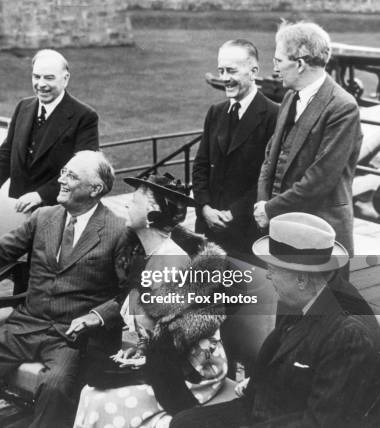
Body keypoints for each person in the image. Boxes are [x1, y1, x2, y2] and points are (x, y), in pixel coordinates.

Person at [0, 151, 129, 428]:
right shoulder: (44, 217)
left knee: (55, 386)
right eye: (63, 172)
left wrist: (96, 316)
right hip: (26, 326)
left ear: (95, 188)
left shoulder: (118, 231)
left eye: (72, 176)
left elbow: (130, 292)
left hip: (71, 338)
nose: (61, 180)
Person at [167, 212, 380, 427]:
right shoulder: (306, 294)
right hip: (268, 406)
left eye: (273, 269)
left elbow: (321, 422)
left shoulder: (349, 335)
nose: (267, 276)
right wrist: (258, 380)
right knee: (182, 422)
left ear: (301, 278)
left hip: (286, 418)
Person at [75, 174, 229, 428]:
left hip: (190, 373)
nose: (126, 205)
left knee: (97, 398)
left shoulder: (171, 262)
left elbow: (173, 342)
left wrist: (140, 360)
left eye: (133, 202)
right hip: (162, 362)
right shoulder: (148, 256)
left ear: (152, 216)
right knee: (91, 392)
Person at [254, 21, 363, 259]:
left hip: (322, 236)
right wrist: (263, 206)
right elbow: (270, 156)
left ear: (300, 64)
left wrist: (270, 209)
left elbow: (320, 179)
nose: (275, 68)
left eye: (278, 61)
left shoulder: (342, 107)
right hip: (284, 230)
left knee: (326, 298)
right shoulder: (290, 96)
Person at [0, 49, 99, 213]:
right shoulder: (23, 106)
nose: (41, 84)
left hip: (56, 211)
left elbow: (83, 172)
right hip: (18, 208)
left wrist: (41, 195)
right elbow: (8, 151)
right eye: (36, 77)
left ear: (66, 79)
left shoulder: (85, 117)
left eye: (49, 78)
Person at [193, 39, 278, 258]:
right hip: (208, 230)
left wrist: (234, 214)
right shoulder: (216, 112)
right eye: (221, 70)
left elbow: (269, 178)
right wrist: (204, 209)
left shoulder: (273, 115)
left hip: (245, 232)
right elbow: (201, 165)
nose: (224, 78)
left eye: (231, 70)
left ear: (253, 71)